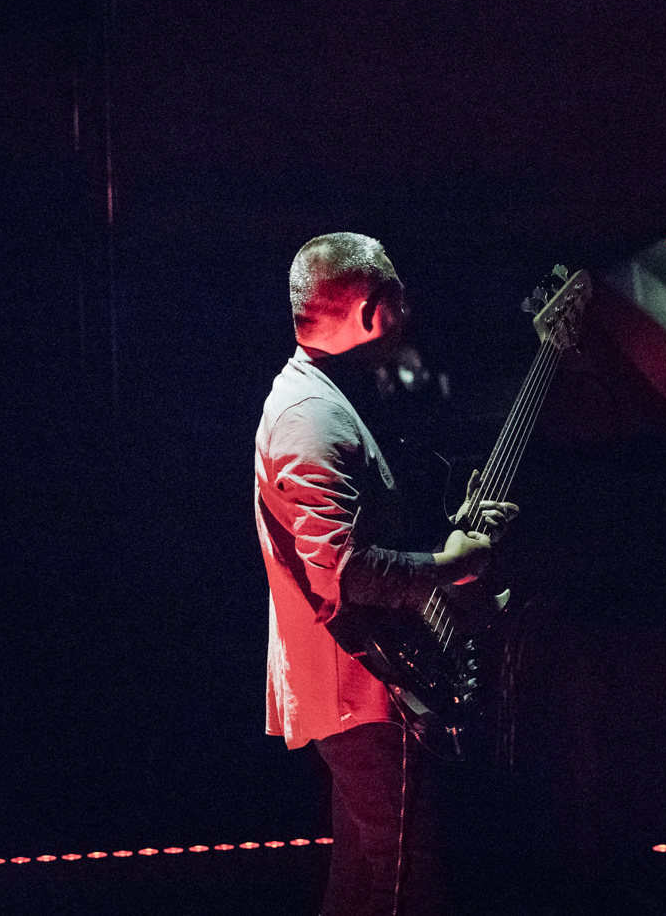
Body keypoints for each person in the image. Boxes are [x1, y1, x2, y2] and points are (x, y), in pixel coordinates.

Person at [254, 231, 517, 916]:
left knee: (363, 893)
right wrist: (448, 566)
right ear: (373, 310)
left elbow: (356, 540)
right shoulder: (312, 418)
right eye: (400, 298)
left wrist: (451, 529)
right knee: (411, 887)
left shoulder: (322, 399)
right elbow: (343, 574)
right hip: (363, 699)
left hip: (361, 694)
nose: (409, 314)